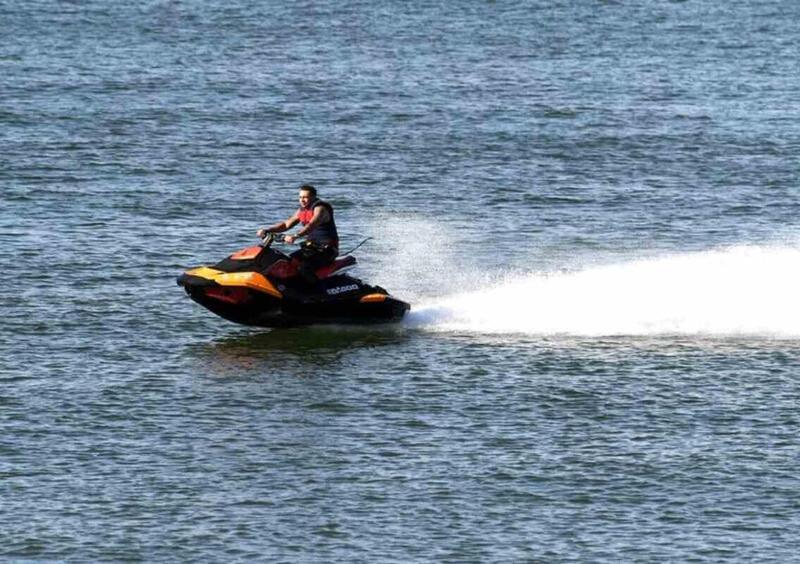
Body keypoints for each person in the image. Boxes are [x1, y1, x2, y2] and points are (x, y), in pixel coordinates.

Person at [257, 184, 339, 287]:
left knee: (304, 267)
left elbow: (311, 225)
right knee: (288, 262)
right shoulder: (302, 210)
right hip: (311, 248)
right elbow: (286, 224)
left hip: (327, 250)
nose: (302, 200)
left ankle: (316, 292)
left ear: (313, 197)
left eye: (305, 197)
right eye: (300, 197)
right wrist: (267, 230)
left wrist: (296, 236)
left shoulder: (320, 209)